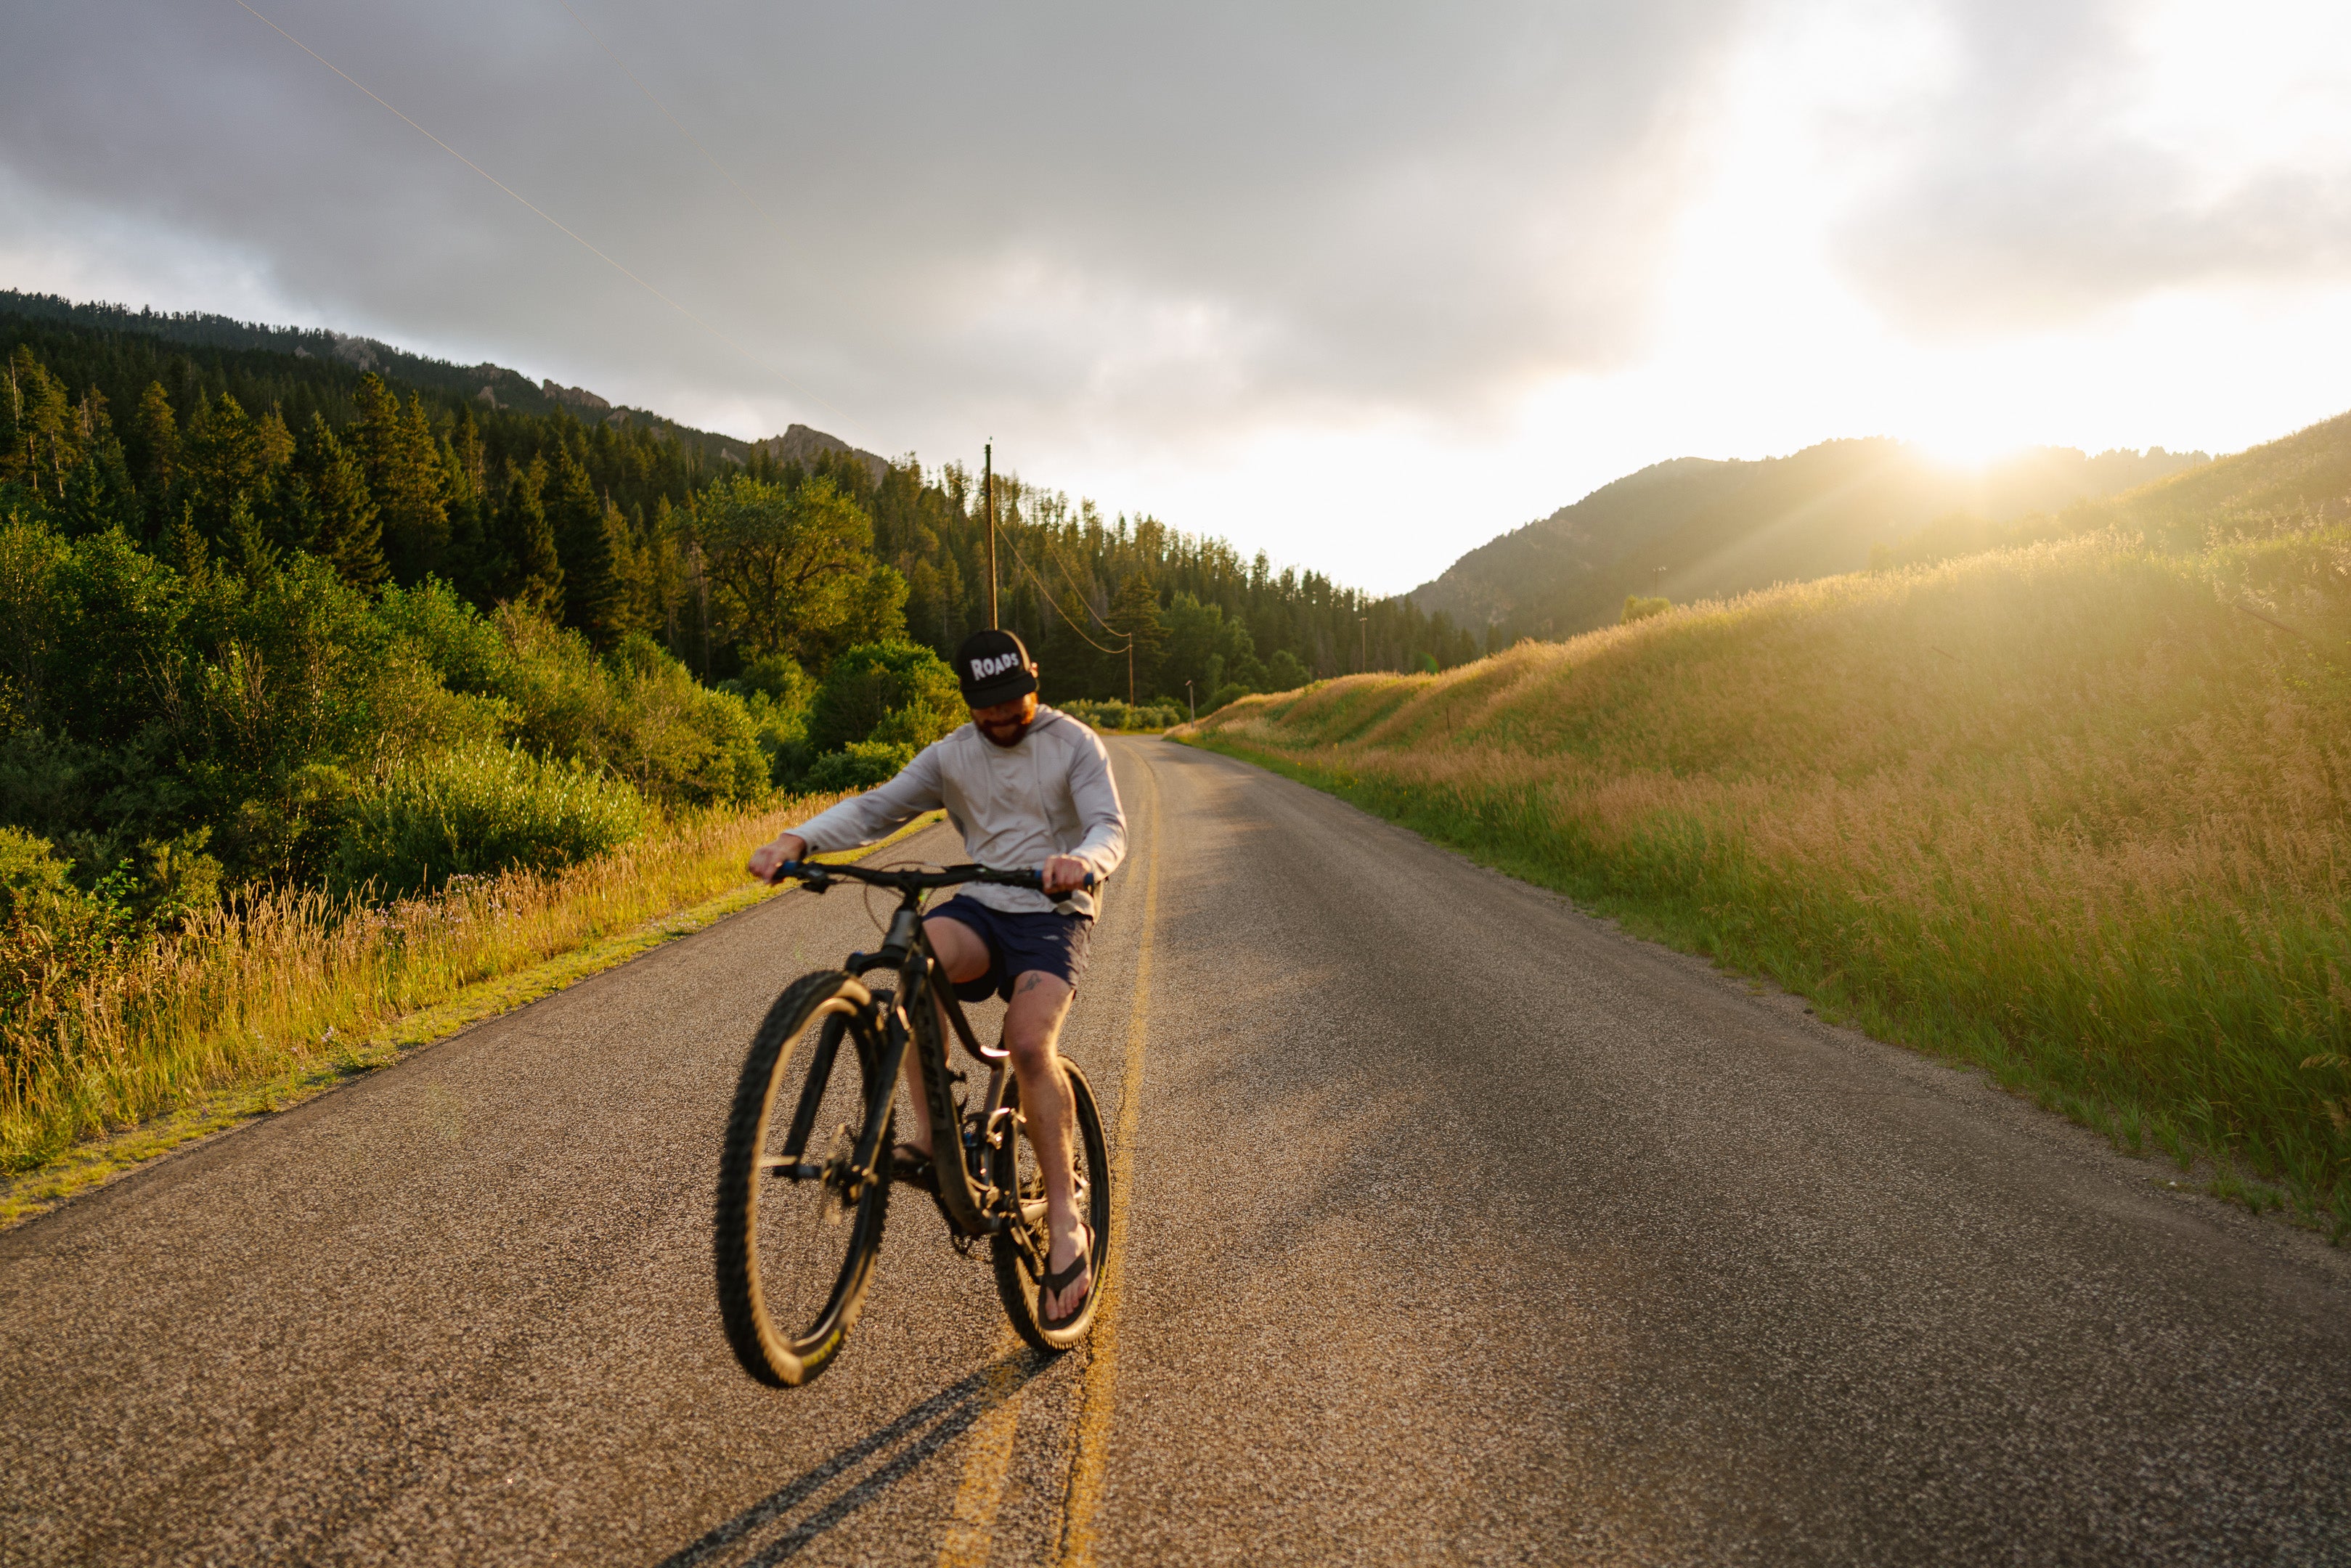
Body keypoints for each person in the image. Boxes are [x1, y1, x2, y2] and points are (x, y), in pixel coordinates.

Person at [747, 629, 1126, 1326]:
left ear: (1033, 683)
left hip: (1052, 912)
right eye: (988, 707)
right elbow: (876, 807)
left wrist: (1084, 861)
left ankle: (1070, 1220)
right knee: (912, 960)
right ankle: (930, 1133)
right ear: (969, 703)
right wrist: (798, 840)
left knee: (1031, 1045)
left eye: (1014, 701)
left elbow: (1109, 826)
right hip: (982, 905)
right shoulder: (953, 754)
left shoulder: (1073, 743)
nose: (1002, 717)